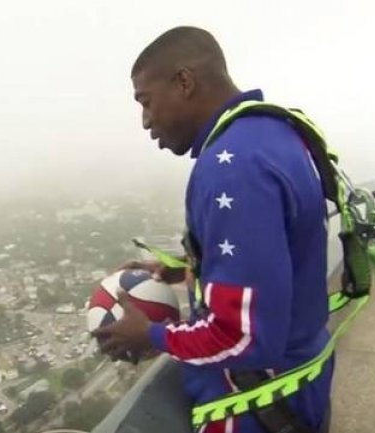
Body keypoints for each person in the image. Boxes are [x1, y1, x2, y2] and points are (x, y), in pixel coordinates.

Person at [92, 26, 333, 433]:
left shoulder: (231, 167)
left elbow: (242, 337)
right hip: (301, 385)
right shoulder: (273, 134)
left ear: (184, 82)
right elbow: (276, 252)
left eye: (146, 102)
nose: (146, 121)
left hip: (255, 409)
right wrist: (189, 266)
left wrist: (151, 335)